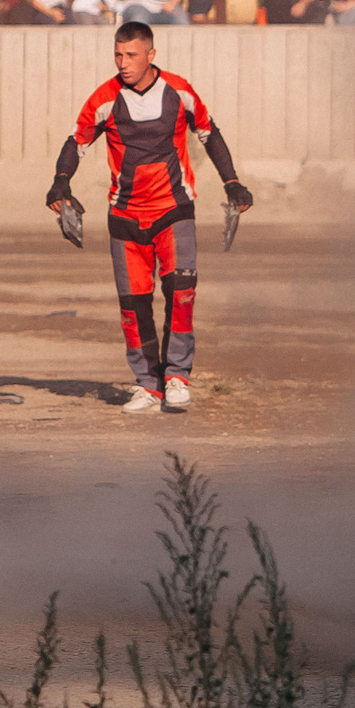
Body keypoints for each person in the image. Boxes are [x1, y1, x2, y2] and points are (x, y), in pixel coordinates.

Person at [47, 21, 252, 414]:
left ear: (151, 55)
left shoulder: (179, 91)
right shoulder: (105, 98)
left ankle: (177, 377)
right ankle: (148, 385)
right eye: (118, 55)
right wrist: (60, 182)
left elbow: (209, 132)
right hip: (124, 215)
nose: (123, 63)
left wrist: (232, 183)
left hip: (174, 211)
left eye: (131, 55)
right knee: (133, 306)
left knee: (180, 296)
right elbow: (77, 142)